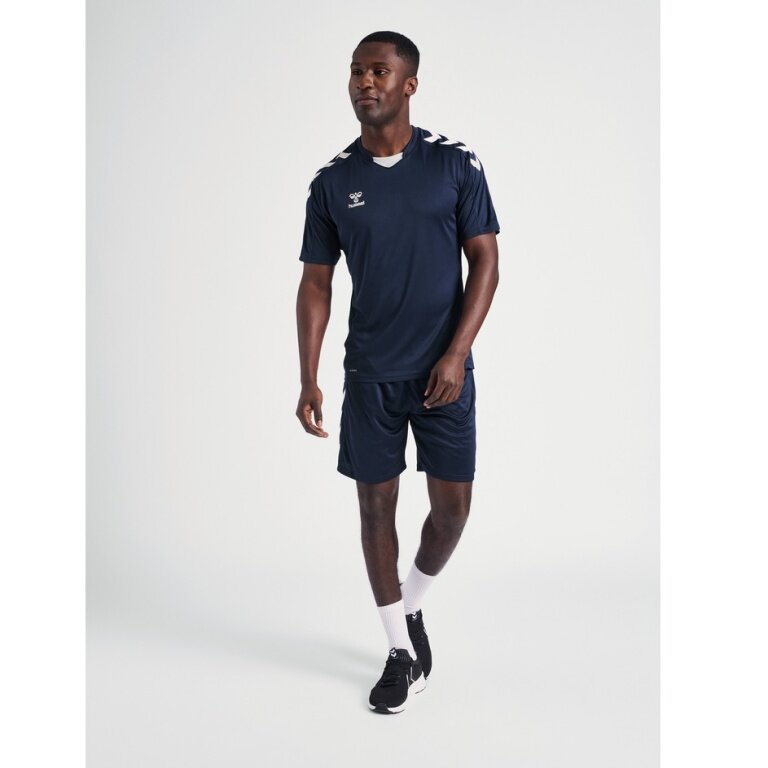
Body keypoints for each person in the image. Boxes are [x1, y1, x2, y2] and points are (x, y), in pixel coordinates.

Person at [295, 30, 500, 714]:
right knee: (375, 507)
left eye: (379, 71)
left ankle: (411, 604)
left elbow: (486, 260)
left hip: (444, 374)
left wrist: (455, 353)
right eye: (357, 71)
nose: (365, 81)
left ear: (409, 84)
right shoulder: (332, 182)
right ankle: (397, 651)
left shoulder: (454, 164)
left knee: (452, 511)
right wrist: (309, 376)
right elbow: (316, 284)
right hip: (372, 376)